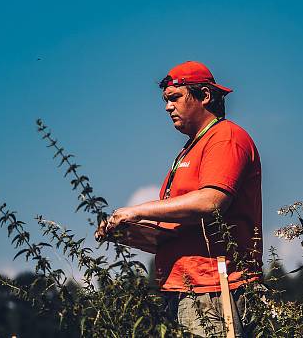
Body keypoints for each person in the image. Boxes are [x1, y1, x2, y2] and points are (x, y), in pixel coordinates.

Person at [97, 61, 262, 337]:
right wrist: (129, 233)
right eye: (165, 100)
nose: (167, 107)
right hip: (183, 290)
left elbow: (211, 202)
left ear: (205, 96)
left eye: (175, 98)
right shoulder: (189, 150)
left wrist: (137, 212)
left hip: (214, 289)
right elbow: (177, 232)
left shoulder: (225, 137)